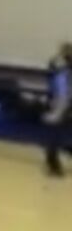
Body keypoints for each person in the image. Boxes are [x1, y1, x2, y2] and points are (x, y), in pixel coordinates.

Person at [43, 43, 72, 177]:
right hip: (60, 103)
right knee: (55, 134)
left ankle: (53, 161)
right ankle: (53, 164)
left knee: (58, 133)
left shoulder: (62, 69)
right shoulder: (61, 72)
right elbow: (62, 93)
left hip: (61, 103)